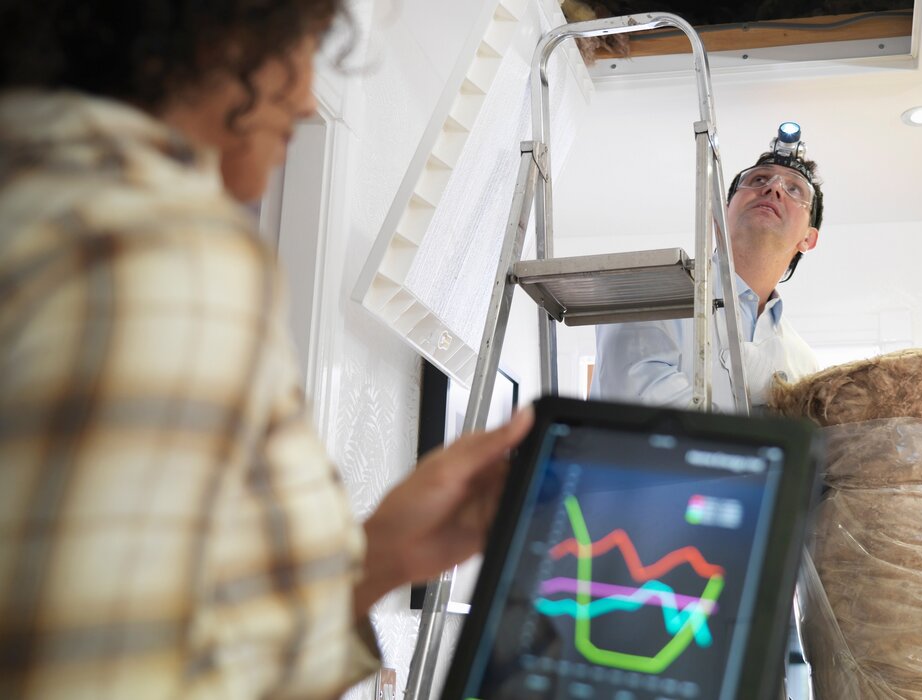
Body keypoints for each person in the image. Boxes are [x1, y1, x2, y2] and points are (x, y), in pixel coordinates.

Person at [0, 2, 531, 697]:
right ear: (212, 29)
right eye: (304, 41)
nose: (310, 99)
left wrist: (374, 562)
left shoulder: (37, 194)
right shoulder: (159, 249)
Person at [590, 125, 824, 412]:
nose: (773, 187)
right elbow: (637, 397)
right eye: (758, 179)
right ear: (721, 214)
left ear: (808, 239)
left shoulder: (805, 363)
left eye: (794, 189)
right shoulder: (652, 290)